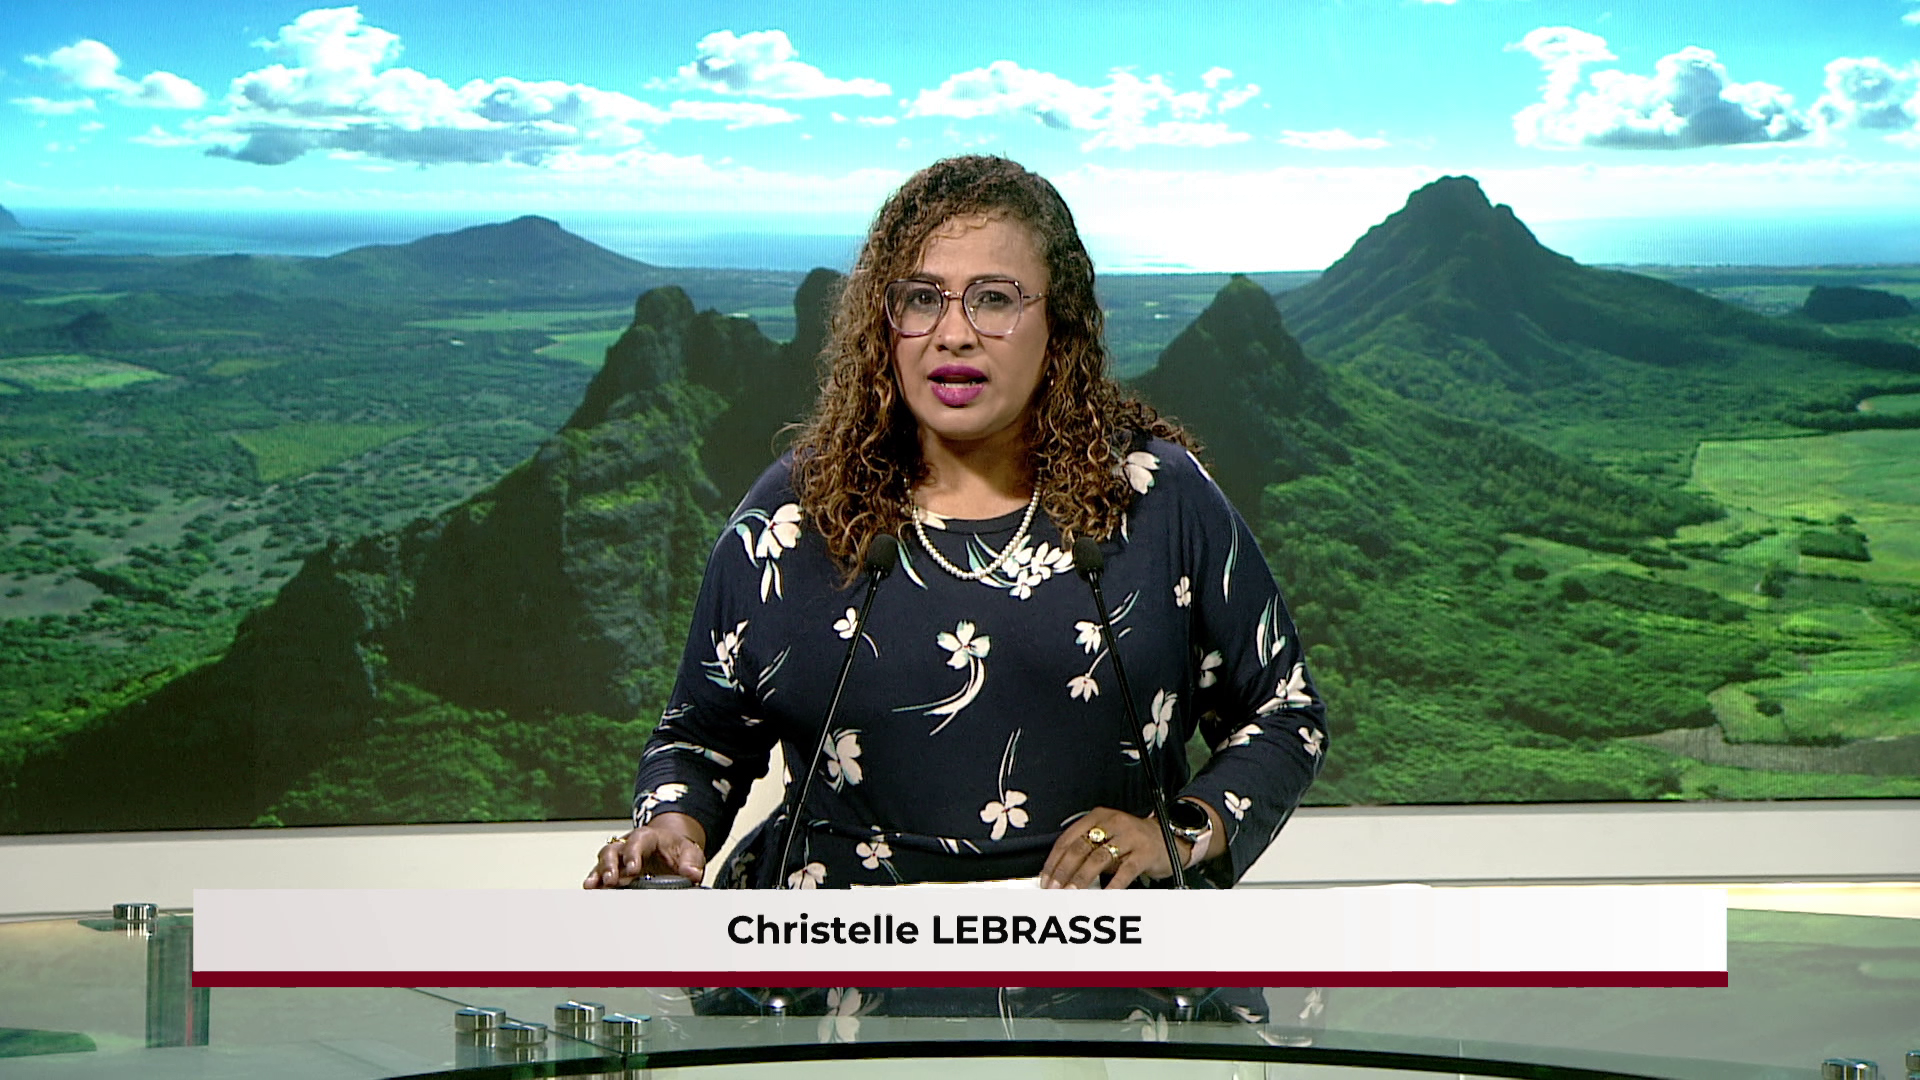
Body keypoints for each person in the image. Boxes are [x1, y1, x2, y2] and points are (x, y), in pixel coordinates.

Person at [585, 155, 1325, 892]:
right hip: (827, 949)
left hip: (1104, 943)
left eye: (993, 299)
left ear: (1059, 321)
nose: (953, 334)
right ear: (885, 323)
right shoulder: (793, 514)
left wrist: (1180, 832)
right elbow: (700, 739)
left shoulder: (1158, 498)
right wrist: (672, 827)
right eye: (921, 299)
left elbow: (1285, 713)